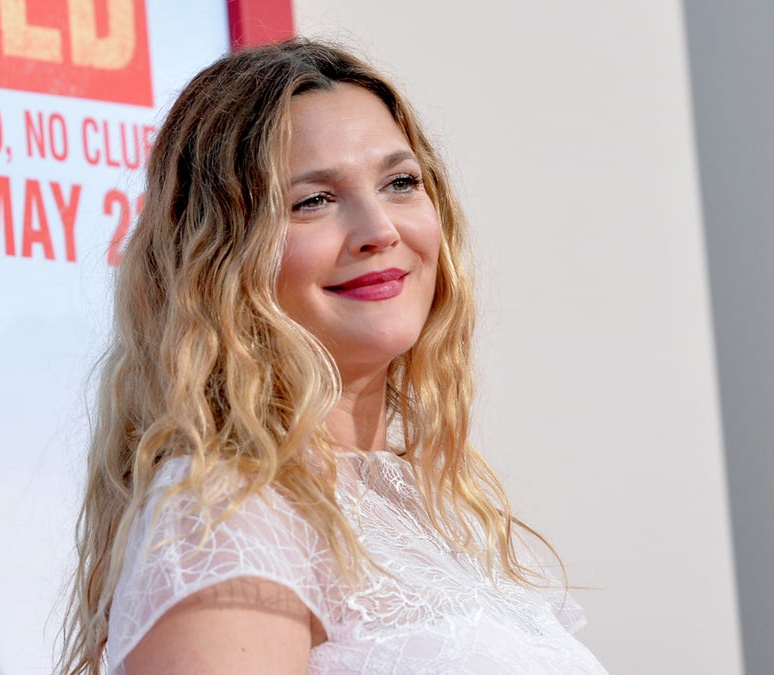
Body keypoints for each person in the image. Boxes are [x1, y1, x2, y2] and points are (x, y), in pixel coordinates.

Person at [58, 38, 608, 674]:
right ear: (219, 259)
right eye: (312, 201)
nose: (379, 229)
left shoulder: (442, 511)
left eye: (401, 183)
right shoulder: (227, 512)